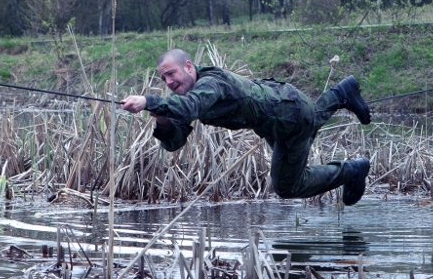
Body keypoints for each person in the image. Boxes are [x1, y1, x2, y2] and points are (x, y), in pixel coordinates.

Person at [120, 49, 372, 205]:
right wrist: (161, 118)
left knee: (287, 186)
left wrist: (147, 101)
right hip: (280, 116)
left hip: (290, 117)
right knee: (310, 121)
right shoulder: (187, 96)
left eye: (172, 74)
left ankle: (352, 170)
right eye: (163, 78)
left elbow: (190, 108)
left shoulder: (211, 84)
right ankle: (341, 92)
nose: (169, 82)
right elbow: (173, 143)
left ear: (188, 67)